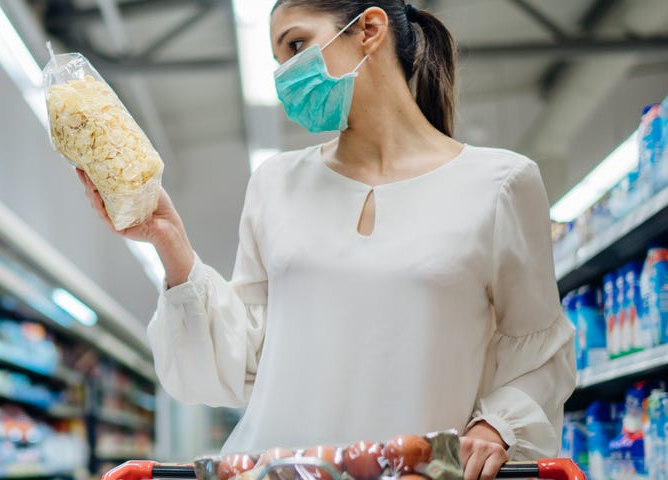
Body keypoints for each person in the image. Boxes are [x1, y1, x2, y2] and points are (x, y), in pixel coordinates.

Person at [74, 1, 576, 479]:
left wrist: (497, 426)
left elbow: (539, 352)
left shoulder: (501, 184)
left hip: (415, 473)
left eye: (295, 46)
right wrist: (170, 241)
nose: (285, 77)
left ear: (369, 30)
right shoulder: (275, 184)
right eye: (277, 60)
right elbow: (239, 363)